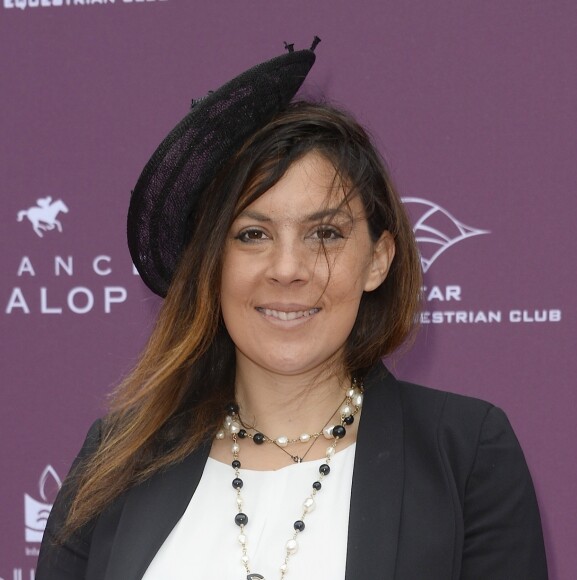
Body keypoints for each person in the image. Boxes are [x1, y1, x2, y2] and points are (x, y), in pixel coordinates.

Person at [36, 40, 548, 580]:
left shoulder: (464, 453)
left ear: (378, 260)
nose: (287, 268)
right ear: (211, 263)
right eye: (252, 234)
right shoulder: (116, 457)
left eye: (324, 234)